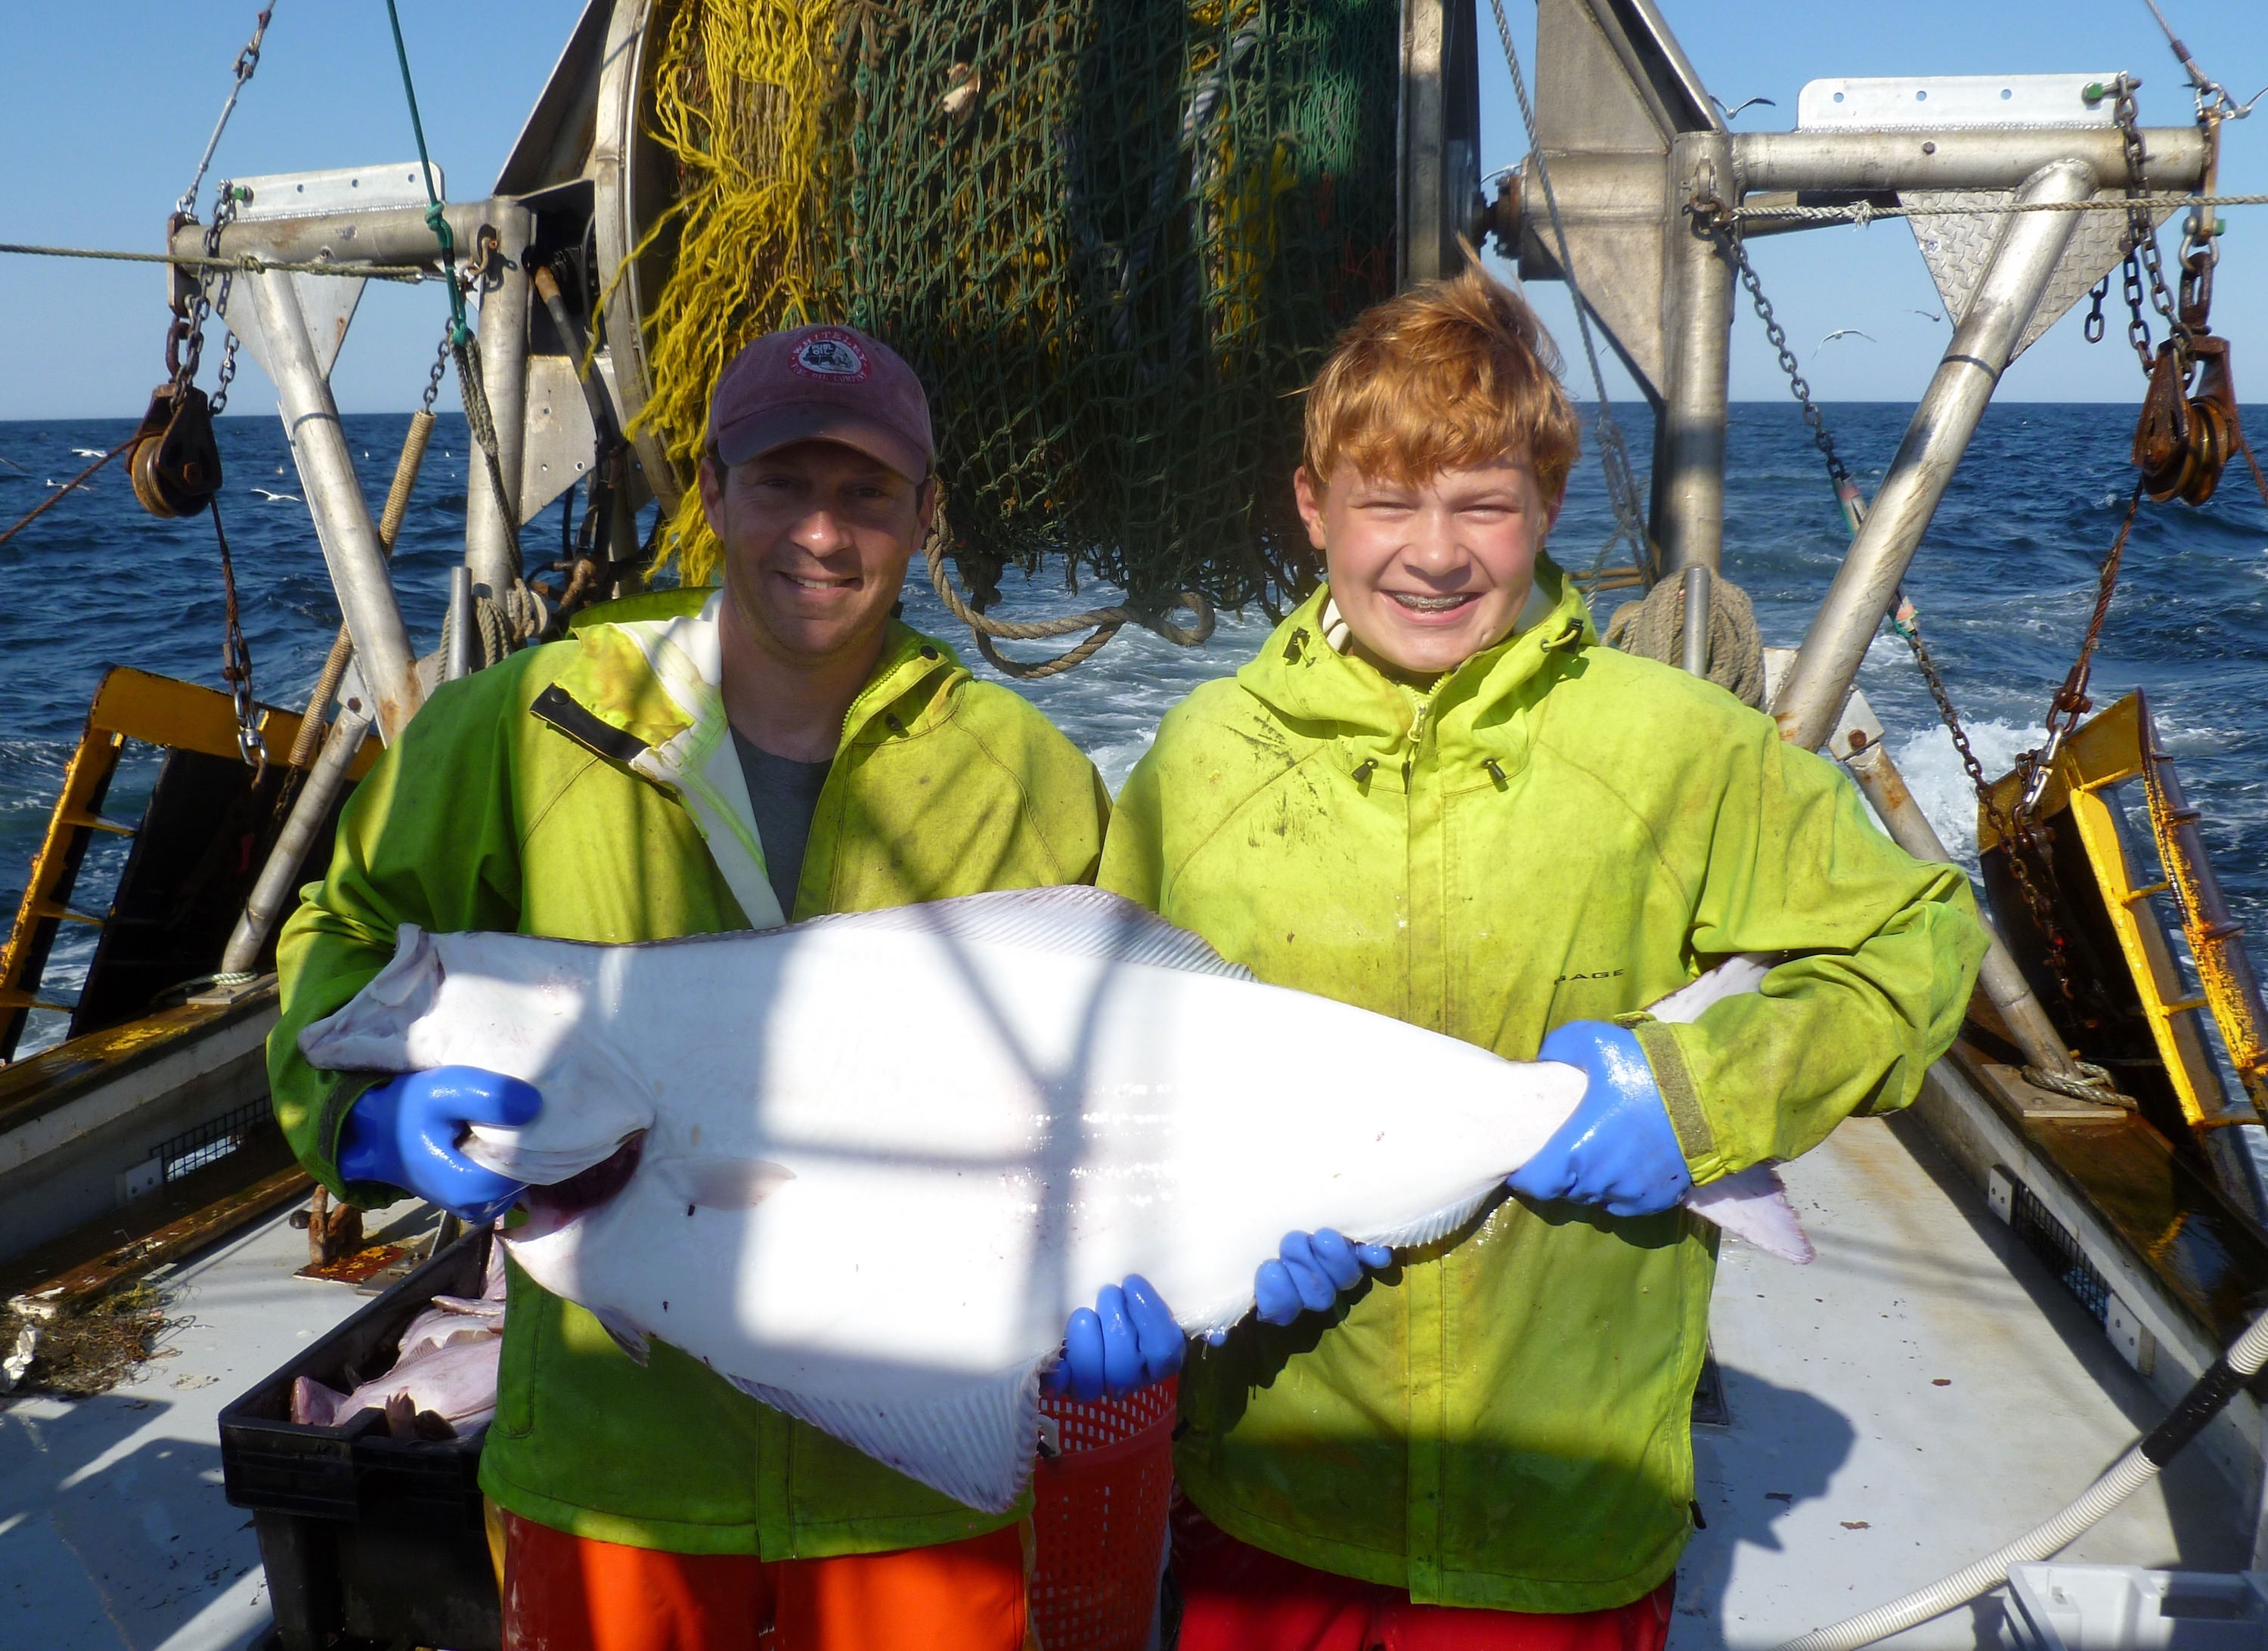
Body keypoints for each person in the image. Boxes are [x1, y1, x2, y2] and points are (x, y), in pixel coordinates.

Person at [1092, 266, 1986, 1649]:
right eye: (1388, 503)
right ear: (1312, 507)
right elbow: (1107, 1055)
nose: (1434, 554)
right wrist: (1136, 1257)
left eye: (1483, 505)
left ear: (1549, 506)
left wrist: (1693, 1097)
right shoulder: (1205, 760)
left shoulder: (1671, 745)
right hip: (1271, 1498)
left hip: (1564, 1515)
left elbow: (1918, 935)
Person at [268, 323, 1112, 1651]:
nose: (821, 534)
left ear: (925, 514)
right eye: (781, 484)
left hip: (912, 1479)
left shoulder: (1024, 772)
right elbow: (347, 933)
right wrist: (362, 1125)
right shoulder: (531, 722)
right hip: (618, 1477)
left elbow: (1115, 1064)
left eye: (866, 494)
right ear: (712, 490)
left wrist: (1125, 1271)